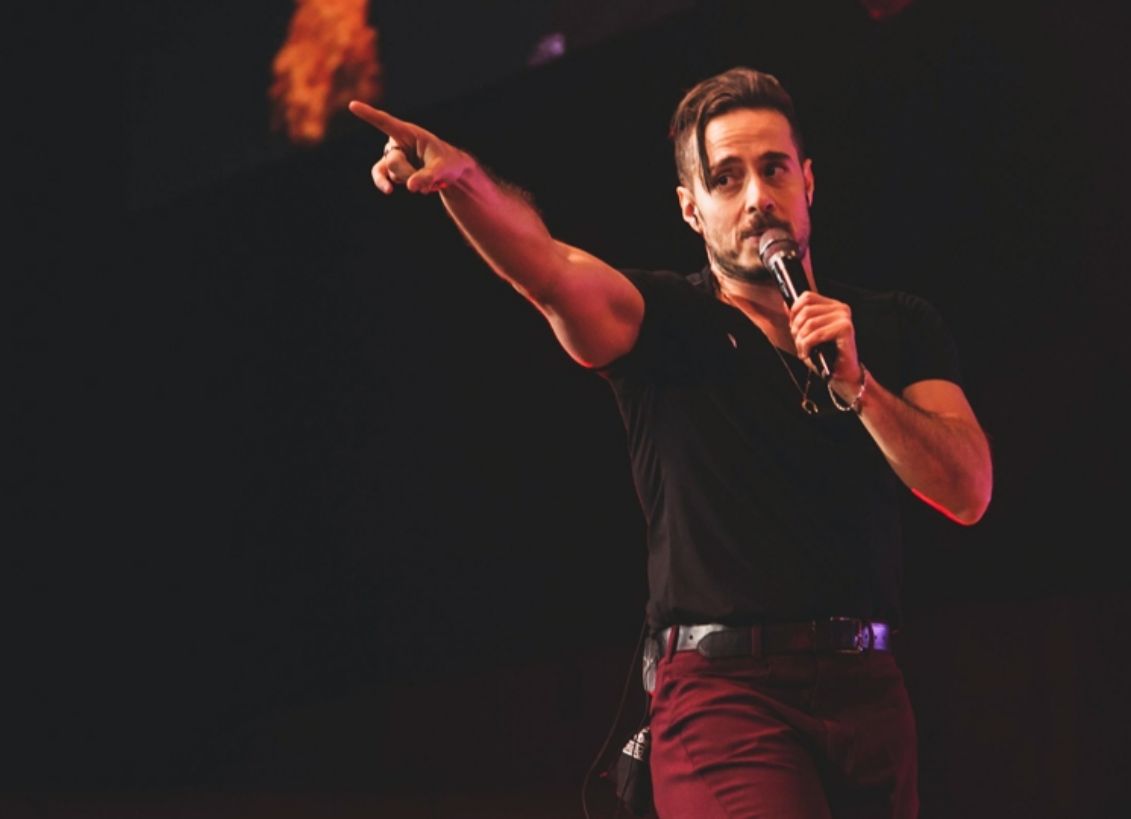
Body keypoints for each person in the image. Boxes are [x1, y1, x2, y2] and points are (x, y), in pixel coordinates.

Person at [349, 66, 991, 819]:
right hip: (727, 696)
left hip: (869, 691)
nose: (757, 197)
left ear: (808, 181)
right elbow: (548, 269)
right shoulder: (664, 320)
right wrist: (465, 182)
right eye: (726, 178)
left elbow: (968, 489)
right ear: (691, 208)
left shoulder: (893, 326)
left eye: (774, 169)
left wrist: (862, 389)